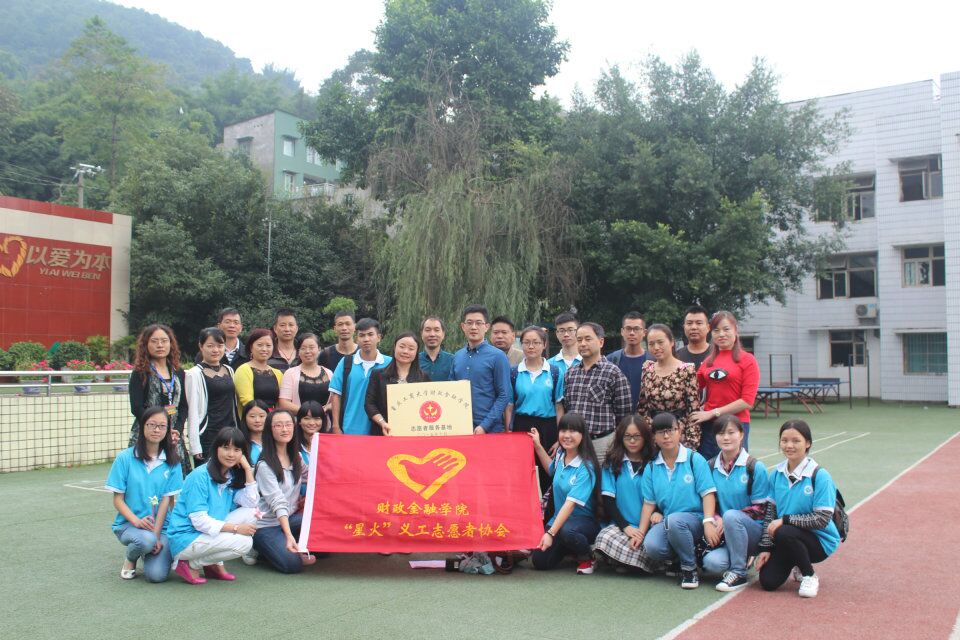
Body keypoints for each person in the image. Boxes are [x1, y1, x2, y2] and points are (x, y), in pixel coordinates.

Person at [756, 420, 841, 598]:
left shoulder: (820, 476)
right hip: (788, 537)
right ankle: (797, 561)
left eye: (796, 441)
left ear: (808, 443)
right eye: (784, 440)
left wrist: (785, 520)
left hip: (819, 541)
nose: (789, 445)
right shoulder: (776, 474)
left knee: (784, 530)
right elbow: (770, 514)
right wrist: (766, 547)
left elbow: (822, 520)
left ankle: (809, 575)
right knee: (768, 582)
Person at [166, 427, 258, 584]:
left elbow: (252, 502)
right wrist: (236, 529)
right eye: (226, 448)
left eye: (237, 450)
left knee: (252, 512)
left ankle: (208, 564)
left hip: (205, 533)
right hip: (186, 538)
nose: (231, 454)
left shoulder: (230, 475)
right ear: (216, 449)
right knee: (245, 543)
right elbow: (199, 521)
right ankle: (190, 563)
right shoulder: (200, 476)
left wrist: (248, 469)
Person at [640, 413, 718, 589]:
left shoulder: (694, 459)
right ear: (654, 437)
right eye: (661, 432)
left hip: (695, 519)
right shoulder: (651, 467)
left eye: (671, 430)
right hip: (669, 521)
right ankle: (680, 556)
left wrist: (708, 521)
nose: (666, 436)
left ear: (679, 431)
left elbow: (708, 494)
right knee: (651, 546)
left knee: (675, 521)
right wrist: (641, 533)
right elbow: (649, 503)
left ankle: (689, 569)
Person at [106, 406, 183, 582]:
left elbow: (166, 502)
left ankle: (149, 548)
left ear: (167, 430)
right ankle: (131, 557)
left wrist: (156, 535)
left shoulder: (173, 462)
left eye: (162, 426)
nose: (157, 430)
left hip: (161, 528)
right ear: (142, 427)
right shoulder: (125, 458)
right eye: (152, 425)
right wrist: (137, 522)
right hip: (129, 525)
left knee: (156, 576)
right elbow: (118, 500)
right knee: (146, 541)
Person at [701, 415, 770, 592]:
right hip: (726, 532)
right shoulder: (710, 466)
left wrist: (728, 519)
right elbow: (710, 501)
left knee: (731, 515)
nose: (726, 437)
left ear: (741, 435)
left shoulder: (754, 467)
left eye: (731, 432)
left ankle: (738, 573)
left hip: (754, 531)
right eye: (721, 433)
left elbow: (762, 509)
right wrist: (716, 519)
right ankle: (743, 557)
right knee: (712, 563)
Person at [529, 414, 601, 574]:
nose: (567, 435)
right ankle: (570, 547)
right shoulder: (561, 455)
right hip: (559, 522)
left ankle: (587, 557)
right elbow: (551, 470)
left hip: (584, 523)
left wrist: (550, 533)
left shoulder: (586, 467)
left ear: (583, 435)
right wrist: (537, 445)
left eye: (573, 431)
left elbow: (570, 505)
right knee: (540, 562)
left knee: (568, 531)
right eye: (563, 430)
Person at [593, 415, 662, 574]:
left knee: (652, 545)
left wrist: (659, 512)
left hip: (649, 526)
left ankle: (628, 562)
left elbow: (662, 496)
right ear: (620, 438)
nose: (632, 441)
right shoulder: (612, 462)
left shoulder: (655, 462)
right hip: (622, 526)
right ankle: (632, 563)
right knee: (603, 538)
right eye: (627, 436)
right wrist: (626, 527)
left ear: (645, 437)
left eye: (637, 436)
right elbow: (608, 500)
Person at [690, 311, 760, 459]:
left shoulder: (748, 360)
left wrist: (713, 412)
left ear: (735, 330)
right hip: (709, 427)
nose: (721, 334)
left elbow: (747, 401)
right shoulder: (708, 361)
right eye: (716, 330)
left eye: (726, 329)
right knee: (707, 467)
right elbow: (692, 387)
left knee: (733, 467)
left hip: (736, 425)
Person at [253, 409, 314, 574]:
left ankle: (285, 545)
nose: (285, 429)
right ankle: (259, 548)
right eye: (278, 425)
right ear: (270, 430)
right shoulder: (265, 465)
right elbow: (277, 503)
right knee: (292, 564)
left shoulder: (296, 457)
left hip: (291, 518)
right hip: (267, 525)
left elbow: (313, 477)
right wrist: (288, 536)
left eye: (288, 424)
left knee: (323, 548)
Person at [562, 322, 632, 463]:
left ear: (601, 342)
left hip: (602, 444)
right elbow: (567, 407)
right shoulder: (570, 373)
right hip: (575, 444)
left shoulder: (613, 373)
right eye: (579, 340)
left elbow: (624, 415)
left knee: (602, 477)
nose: (583, 344)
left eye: (588, 339)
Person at [127, 323, 188, 475]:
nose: (160, 345)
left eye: (164, 341)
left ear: (171, 344)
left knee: (176, 478)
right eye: (154, 341)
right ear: (146, 345)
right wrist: (159, 427)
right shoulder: (140, 373)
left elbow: (183, 406)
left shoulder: (178, 372)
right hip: (148, 434)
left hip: (173, 437)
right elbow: (136, 407)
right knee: (146, 476)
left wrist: (177, 430)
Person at [508, 326, 564, 486]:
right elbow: (509, 406)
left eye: (536, 342)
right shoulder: (514, 373)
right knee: (522, 474)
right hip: (521, 426)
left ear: (544, 344)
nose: (531, 346)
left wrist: (559, 437)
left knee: (548, 473)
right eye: (526, 342)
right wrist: (508, 432)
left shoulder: (555, 372)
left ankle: (548, 503)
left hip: (548, 427)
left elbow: (559, 406)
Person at [635, 324, 702, 450]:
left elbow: (693, 409)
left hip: (678, 433)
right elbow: (642, 407)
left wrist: (692, 442)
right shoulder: (647, 369)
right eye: (651, 344)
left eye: (660, 342)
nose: (656, 347)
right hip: (653, 433)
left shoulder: (686, 370)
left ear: (672, 342)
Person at [451, 304, 512, 434]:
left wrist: (484, 426)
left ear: (487, 327)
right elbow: (451, 391)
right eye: (469, 323)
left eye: (479, 323)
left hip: (490, 430)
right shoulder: (457, 357)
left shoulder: (498, 356)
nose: (474, 327)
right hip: (461, 428)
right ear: (463, 326)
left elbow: (504, 395)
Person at [329, 318, 392, 435]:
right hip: (350, 429)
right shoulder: (346, 363)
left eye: (370, 334)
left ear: (379, 337)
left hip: (381, 429)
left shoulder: (390, 363)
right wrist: (336, 426)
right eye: (362, 335)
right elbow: (336, 395)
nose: (366, 339)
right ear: (356, 339)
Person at [186, 327, 238, 463]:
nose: (216, 350)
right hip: (208, 434)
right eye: (210, 346)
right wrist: (195, 445)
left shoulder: (229, 370)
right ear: (201, 346)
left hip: (229, 432)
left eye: (220, 346)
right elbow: (192, 410)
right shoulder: (194, 374)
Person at [366, 332, 431, 435]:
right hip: (383, 433)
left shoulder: (424, 378)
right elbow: (369, 404)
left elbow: (427, 404)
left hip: (414, 434)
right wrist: (382, 423)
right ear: (394, 347)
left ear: (416, 352)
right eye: (402, 346)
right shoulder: (378, 375)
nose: (405, 351)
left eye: (411, 348)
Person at [278, 333, 334, 414]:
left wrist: (327, 407)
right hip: (299, 420)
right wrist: (309, 412)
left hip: (323, 420)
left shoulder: (329, 373)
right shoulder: (290, 373)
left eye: (311, 347)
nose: (307, 351)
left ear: (319, 349)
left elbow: (336, 400)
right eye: (303, 348)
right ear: (298, 351)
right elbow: (284, 403)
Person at [605, 311, 650, 409]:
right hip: (618, 416)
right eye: (628, 329)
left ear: (644, 332)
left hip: (645, 416)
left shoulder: (652, 360)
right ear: (622, 331)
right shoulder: (611, 360)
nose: (632, 333)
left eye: (636, 329)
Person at [234, 328, 284, 411]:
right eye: (260, 345)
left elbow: (280, 403)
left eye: (268, 345)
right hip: (252, 415)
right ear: (251, 347)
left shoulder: (278, 373)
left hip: (274, 417)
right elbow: (247, 401)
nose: (264, 349)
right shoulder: (243, 370)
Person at [419, 316, 454, 382]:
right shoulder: (413, 361)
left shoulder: (453, 361)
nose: (432, 334)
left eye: (436, 330)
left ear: (443, 334)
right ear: (421, 334)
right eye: (428, 330)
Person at [676, 305, 710, 371]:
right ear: (684, 327)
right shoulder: (676, 356)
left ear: (708, 328)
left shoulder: (717, 354)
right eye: (689, 323)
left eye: (699, 323)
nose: (693, 327)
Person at [548, 312, 581, 378]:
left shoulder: (588, 361)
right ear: (557, 333)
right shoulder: (548, 365)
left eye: (570, 330)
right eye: (562, 331)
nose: (566, 334)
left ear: (579, 331)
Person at [296, 400, 328, 467]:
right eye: (306, 418)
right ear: (299, 421)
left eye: (317, 418)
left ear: (323, 421)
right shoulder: (292, 445)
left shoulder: (329, 446)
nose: (312, 423)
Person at [267, 308, 300, 372]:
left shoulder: (304, 352)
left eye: (291, 325)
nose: (287, 329)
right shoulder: (267, 352)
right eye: (282, 325)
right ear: (275, 328)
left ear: (296, 328)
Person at [241, 400, 269, 464]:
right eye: (252, 416)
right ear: (245, 418)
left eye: (261, 416)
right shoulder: (239, 444)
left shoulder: (276, 442)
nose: (257, 420)